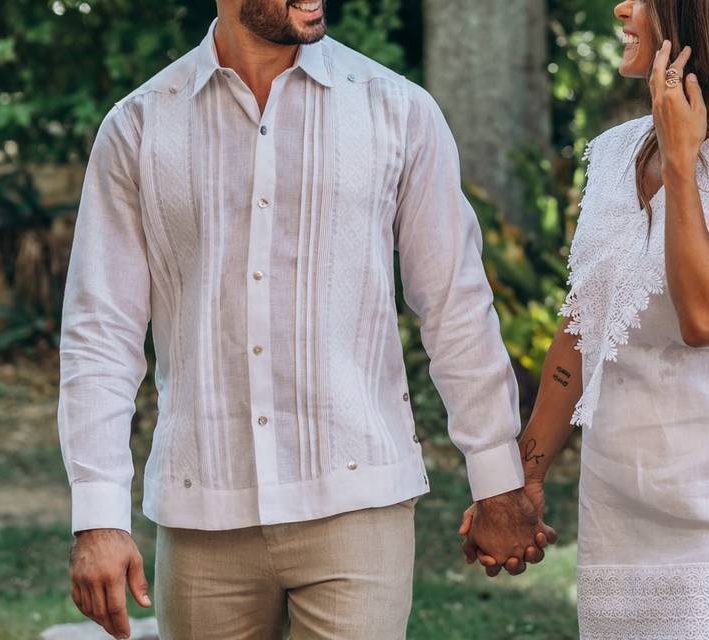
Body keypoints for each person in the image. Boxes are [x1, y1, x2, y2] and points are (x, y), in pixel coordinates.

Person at [57, 1, 554, 638]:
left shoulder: (394, 110)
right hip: (203, 506)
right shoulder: (140, 126)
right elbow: (101, 329)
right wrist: (98, 513)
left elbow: (455, 304)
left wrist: (497, 478)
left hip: (357, 504)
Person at [460, 0, 709, 637]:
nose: (622, 7)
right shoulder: (612, 155)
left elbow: (706, 316)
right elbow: (582, 325)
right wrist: (522, 481)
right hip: (619, 513)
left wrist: (683, 165)